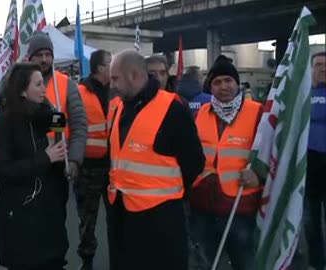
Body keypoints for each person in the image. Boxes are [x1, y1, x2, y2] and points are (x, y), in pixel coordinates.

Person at [107, 50, 205, 270]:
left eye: (115, 78)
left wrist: (170, 194)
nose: (112, 84)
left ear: (133, 75)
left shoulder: (173, 109)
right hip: (122, 215)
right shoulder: (121, 106)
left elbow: (194, 162)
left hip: (160, 221)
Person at [0, 63, 69, 270]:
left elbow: (58, 130)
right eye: (39, 84)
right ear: (23, 89)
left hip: (47, 209)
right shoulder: (3, 123)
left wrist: (60, 159)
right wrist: (45, 158)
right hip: (21, 213)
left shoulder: (43, 118)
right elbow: (3, 170)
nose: (44, 89)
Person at [188, 55, 263, 270]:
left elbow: (272, 152)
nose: (224, 86)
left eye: (228, 80)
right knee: (203, 262)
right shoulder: (202, 112)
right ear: (210, 87)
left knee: (245, 262)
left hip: (239, 206)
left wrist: (259, 175)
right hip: (202, 204)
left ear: (237, 83)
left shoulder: (256, 112)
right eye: (217, 82)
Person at [74, 49, 119, 270]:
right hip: (87, 169)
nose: (114, 65)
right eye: (111, 62)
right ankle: (87, 262)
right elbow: (63, 120)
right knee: (87, 222)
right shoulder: (79, 92)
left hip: (113, 169)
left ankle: (118, 261)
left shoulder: (117, 92)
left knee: (116, 221)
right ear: (101, 68)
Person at [27, 31, 87, 181]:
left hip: (58, 163)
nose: (44, 59)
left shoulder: (67, 83)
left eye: (48, 54)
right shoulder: (17, 82)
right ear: (30, 57)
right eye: (39, 55)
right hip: (26, 161)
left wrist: (74, 159)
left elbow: (79, 124)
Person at [304, 51, 326, 270]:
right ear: (311, 69)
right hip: (309, 168)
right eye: (318, 64)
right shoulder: (302, 95)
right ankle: (315, 263)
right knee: (310, 223)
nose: (323, 68)